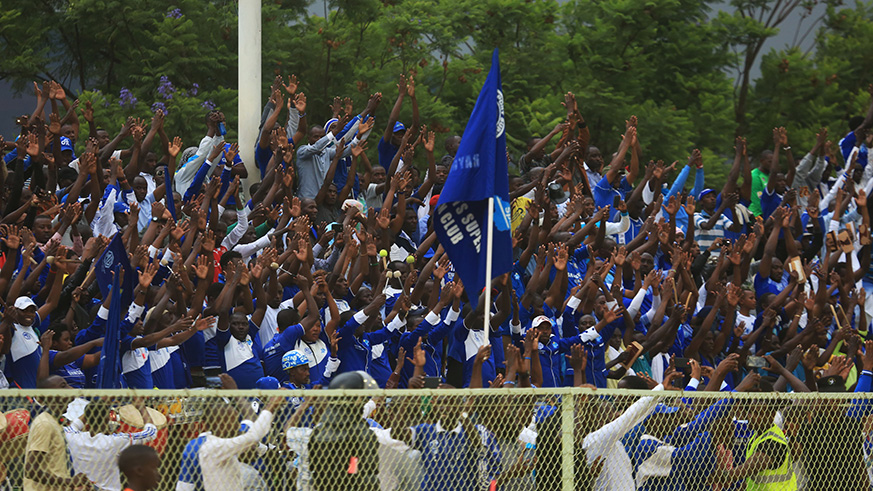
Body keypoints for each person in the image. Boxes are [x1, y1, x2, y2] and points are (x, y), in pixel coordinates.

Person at [308, 371, 380, 491]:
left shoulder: (318, 431)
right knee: (369, 479)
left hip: (324, 486)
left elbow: (314, 468)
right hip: (351, 484)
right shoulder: (362, 433)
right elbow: (364, 470)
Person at [64, 399, 158, 491]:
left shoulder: (73, 438)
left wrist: (94, 408)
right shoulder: (115, 442)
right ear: (108, 418)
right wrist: (141, 407)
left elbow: (74, 425)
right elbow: (151, 432)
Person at [198, 396, 284, 491]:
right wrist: (272, 405)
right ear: (220, 424)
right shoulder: (213, 448)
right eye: (234, 421)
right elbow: (254, 436)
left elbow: (250, 418)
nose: (239, 426)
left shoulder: (234, 436)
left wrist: (235, 392)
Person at [24, 375, 91, 491]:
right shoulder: (45, 424)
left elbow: (53, 467)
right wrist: (69, 482)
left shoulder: (54, 422)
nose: (70, 389)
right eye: (63, 386)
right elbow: (31, 470)